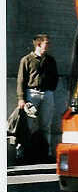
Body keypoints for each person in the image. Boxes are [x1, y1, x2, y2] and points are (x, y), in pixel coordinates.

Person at [16, 33, 59, 161]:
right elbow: (21, 80)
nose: (49, 45)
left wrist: (50, 89)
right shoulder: (26, 60)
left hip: (47, 94)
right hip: (31, 94)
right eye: (47, 43)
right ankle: (22, 153)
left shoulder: (51, 60)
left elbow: (55, 77)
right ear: (39, 44)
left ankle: (47, 152)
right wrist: (21, 98)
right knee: (27, 125)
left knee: (46, 125)